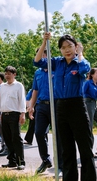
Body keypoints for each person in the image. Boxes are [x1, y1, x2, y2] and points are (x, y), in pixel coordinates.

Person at [34, 32, 97, 181]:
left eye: (70, 46)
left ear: (76, 47)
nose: (67, 50)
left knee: (85, 148)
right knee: (66, 149)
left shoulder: (81, 61)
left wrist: (80, 53)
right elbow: (37, 61)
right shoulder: (57, 62)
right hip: (60, 106)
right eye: (63, 47)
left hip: (77, 106)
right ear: (60, 50)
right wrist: (44, 41)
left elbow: (83, 69)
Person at [28, 47, 63, 175]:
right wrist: (31, 106)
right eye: (39, 54)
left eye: (42, 54)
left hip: (56, 105)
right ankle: (45, 159)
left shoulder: (57, 69)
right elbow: (35, 90)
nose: (40, 56)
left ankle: (60, 163)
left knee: (58, 135)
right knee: (38, 133)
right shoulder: (37, 73)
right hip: (41, 106)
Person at [0, 66, 26, 170]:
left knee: (16, 138)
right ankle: (11, 161)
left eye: (9, 73)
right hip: (4, 115)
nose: (7, 75)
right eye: (6, 73)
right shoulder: (2, 87)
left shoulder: (18, 86)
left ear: (14, 74)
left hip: (14, 114)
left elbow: (22, 100)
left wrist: (23, 114)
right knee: (7, 138)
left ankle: (20, 161)